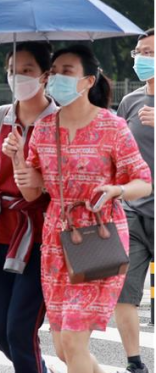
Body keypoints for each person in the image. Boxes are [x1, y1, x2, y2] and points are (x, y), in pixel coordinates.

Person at [3, 44, 153, 373]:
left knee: (73, 341)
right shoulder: (43, 129)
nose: (56, 78)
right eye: (53, 72)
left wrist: (118, 189)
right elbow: (31, 193)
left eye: (66, 71)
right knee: (63, 349)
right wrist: (16, 157)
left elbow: (144, 181)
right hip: (57, 242)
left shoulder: (112, 127)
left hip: (101, 238)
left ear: (87, 81)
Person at [0, 42, 57, 373]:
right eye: (12, 70)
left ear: (46, 76)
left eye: (27, 70)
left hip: (42, 239)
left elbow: (39, 192)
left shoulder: (59, 124)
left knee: (20, 331)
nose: (17, 77)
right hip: (1, 235)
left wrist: (20, 156)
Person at [114, 28, 154, 373]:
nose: (142, 59)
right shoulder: (131, 101)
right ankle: (134, 362)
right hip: (131, 211)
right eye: (139, 52)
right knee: (124, 290)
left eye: (150, 52)